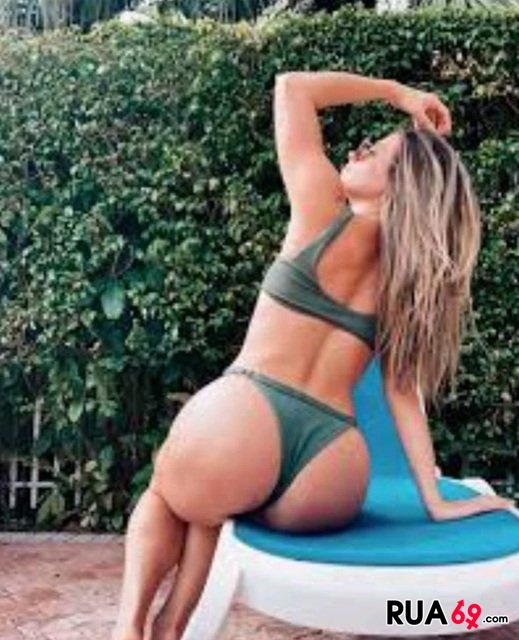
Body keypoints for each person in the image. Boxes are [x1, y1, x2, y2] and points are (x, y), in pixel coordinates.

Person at [111, 71, 515, 640]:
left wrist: (397, 93)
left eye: (373, 150)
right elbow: (402, 394)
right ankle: (171, 624)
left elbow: (293, 88)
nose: (357, 149)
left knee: (167, 494)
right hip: (331, 471)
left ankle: (131, 629)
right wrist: (434, 499)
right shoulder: (405, 281)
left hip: (245, 420)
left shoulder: (321, 208)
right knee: (215, 503)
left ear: (397, 187)